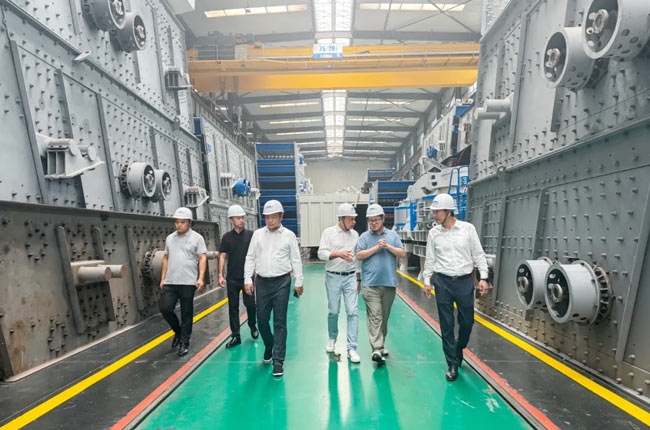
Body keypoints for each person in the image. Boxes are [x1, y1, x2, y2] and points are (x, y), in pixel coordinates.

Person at [422, 193, 489, 381]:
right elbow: (430, 259)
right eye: (434, 212)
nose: (434, 215)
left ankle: (459, 347)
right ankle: (452, 363)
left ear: (448, 211)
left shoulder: (468, 229)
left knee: (467, 321)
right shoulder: (433, 233)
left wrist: (483, 277)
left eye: (437, 212)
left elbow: (478, 255)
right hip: (442, 282)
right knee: (447, 324)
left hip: (465, 281)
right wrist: (427, 281)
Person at [244, 200, 303, 377]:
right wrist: (247, 279)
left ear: (280, 217)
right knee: (261, 320)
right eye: (267, 217)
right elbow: (250, 257)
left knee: (279, 321)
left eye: (273, 217)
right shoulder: (257, 235)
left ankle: (278, 361)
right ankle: (269, 345)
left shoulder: (289, 236)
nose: (270, 220)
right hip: (262, 282)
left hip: (282, 282)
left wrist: (299, 281)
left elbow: (296, 259)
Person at [355, 204, 406, 364]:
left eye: (376, 220)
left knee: (384, 317)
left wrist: (387, 246)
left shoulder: (392, 235)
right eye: (371, 221)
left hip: (389, 284)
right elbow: (359, 255)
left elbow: (402, 253)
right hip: (371, 284)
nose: (374, 223)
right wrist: (376, 247)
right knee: (375, 316)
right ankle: (376, 349)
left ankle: (381, 344)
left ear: (383, 219)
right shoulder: (364, 237)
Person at [159, 207, 208, 357]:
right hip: (171, 281)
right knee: (165, 308)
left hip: (188, 281)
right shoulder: (170, 238)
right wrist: (163, 278)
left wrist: (200, 278)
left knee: (187, 313)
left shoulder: (197, 238)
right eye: (177, 222)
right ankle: (178, 331)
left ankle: (184, 343)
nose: (179, 225)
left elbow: (202, 258)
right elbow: (166, 257)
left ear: (189, 222)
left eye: (182, 222)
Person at [317, 203, 361, 363]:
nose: (353, 222)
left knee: (352, 312)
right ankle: (332, 338)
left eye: (354, 219)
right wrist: (338, 254)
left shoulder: (355, 235)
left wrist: (358, 278)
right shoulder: (328, 233)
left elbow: (357, 258)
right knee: (333, 311)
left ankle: (352, 348)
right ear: (341, 219)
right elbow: (321, 253)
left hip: (350, 277)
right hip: (333, 276)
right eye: (350, 219)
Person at [219, 204, 259, 348]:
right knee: (233, 308)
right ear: (231, 220)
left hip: (247, 278)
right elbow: (222, 256)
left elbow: (256, 254)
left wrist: (256, 272)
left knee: (251, 304)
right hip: (232, 278)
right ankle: (236, 336)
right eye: (238, 218)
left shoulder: (251, 235)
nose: (241, 220)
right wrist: (220, 275)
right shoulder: (226, 237)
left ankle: (252, 326)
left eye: (242, 217)